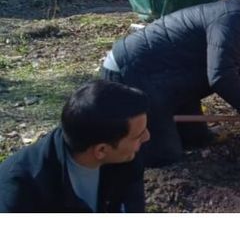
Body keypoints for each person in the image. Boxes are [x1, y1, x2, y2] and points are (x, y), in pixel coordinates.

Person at [100, 0, 240, 168]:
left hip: (167, 76)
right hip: (132, 74)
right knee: (165, 154)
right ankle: (110, 149)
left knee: (197, 138)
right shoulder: (236, 19)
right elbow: (222, 77)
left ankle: (167, 124)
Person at [0, 80, 150, 212]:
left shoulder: (125, 158)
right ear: (101, 150)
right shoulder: (20, 190)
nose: (147, 137)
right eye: (138, 136)